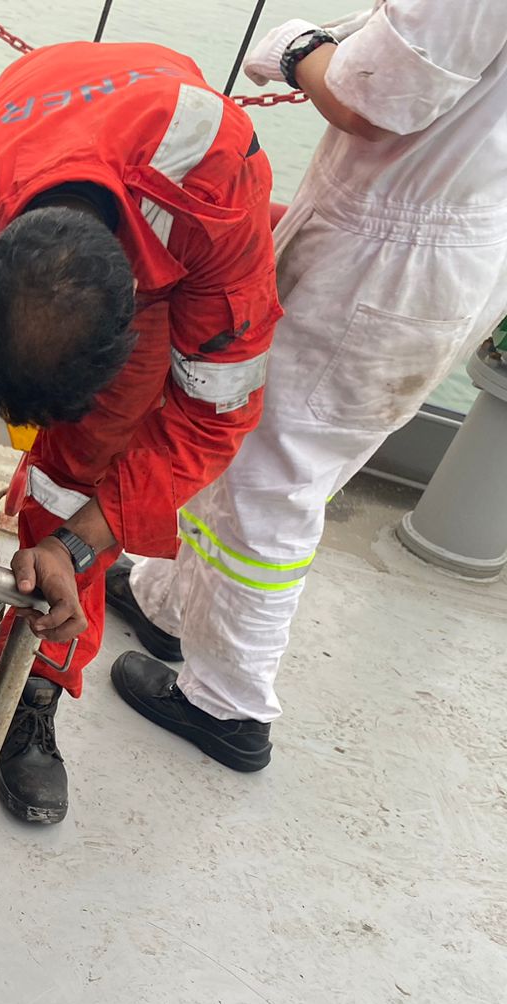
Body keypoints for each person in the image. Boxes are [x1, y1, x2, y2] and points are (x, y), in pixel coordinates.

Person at [0, 42, 281, 825]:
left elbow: (214, 413)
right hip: (14, 172)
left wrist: (74, 544)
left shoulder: (216, 183)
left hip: (161, 203)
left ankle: (33, 684)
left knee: (79, 475)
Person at [108, 2, 507, 771]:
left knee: (272, 470)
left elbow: (373, 100)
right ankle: (171, 605)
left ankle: (228, 703)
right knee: (270, 446)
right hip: (455, 235)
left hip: (391, 247)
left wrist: (299, 48)